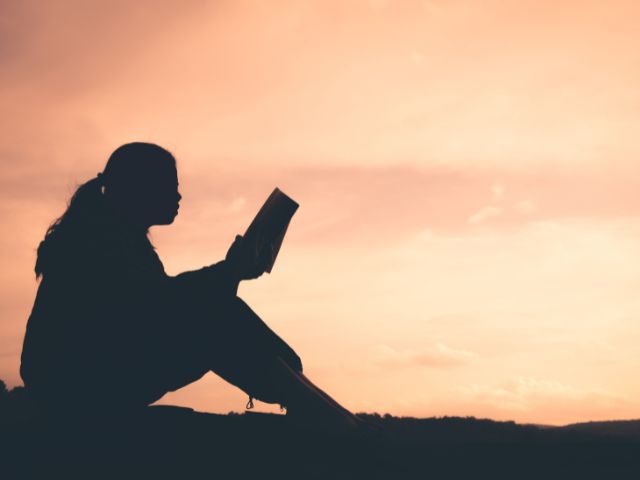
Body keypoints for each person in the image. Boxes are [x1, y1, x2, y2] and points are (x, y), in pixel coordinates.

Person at [20, 142, 359, 430]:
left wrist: (230, 273)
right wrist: (229, 272)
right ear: (140, 187)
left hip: (86, 375)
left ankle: (330, 415)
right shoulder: (99, 239)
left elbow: (159, 306)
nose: (179, 195)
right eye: (170, 185)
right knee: (218, 316)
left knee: (218, 312)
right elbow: (156, 306)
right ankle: (335, 422)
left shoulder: (114, 234)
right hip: (76, 385)